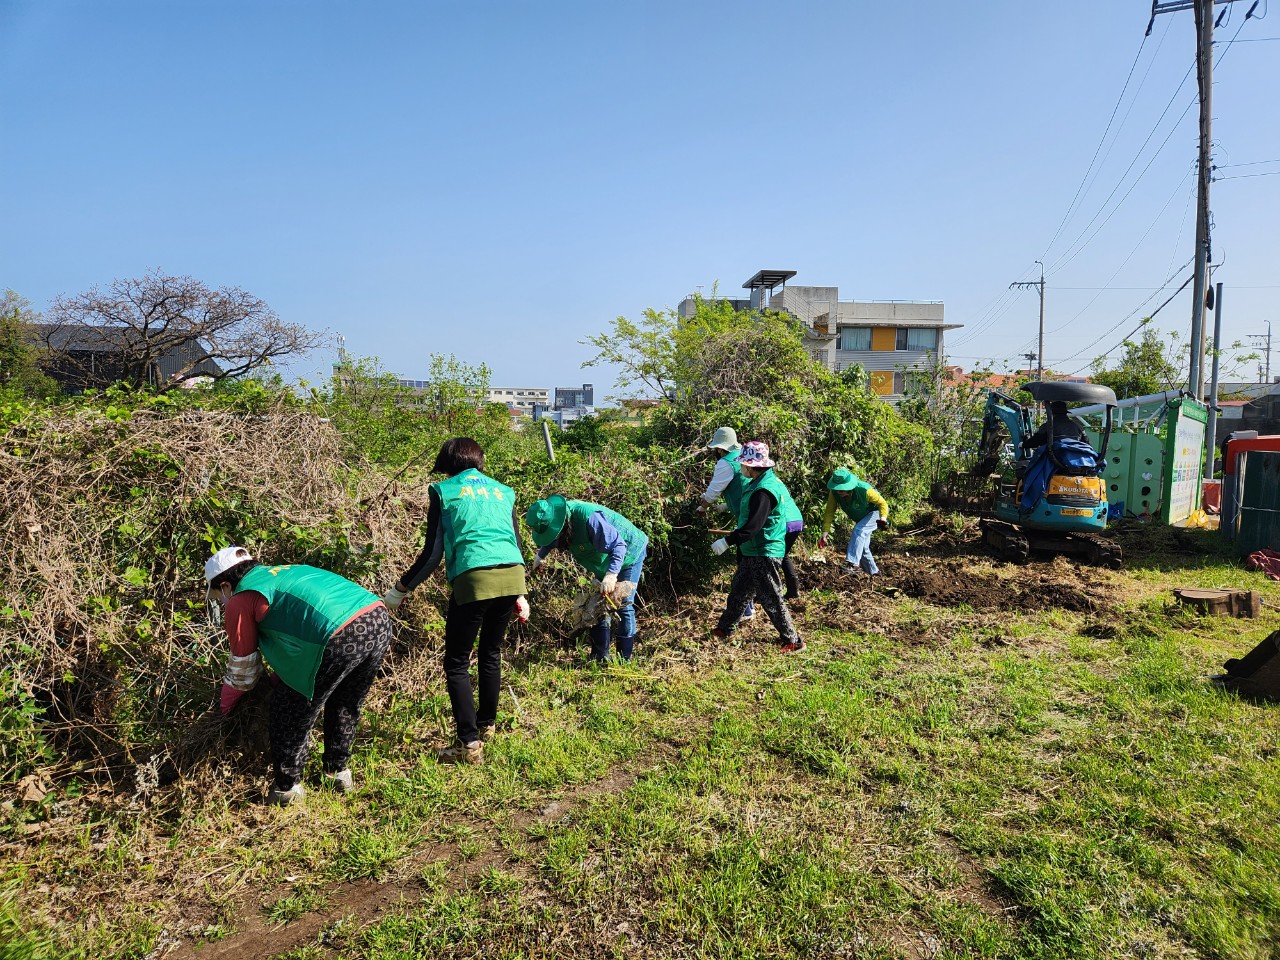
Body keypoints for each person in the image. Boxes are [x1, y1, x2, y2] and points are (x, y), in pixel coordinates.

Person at [382, 438, 529, 766]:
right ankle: (487, 725)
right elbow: (514, 544)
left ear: (448, 464)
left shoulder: (445, 490)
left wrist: (400, 589)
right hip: (513, 574)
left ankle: (469, 743)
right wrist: (519, 593)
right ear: (480, 461)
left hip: (474, 576)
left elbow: (433, 553)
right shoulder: (504, 491)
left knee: (457, 663)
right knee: (491, 653)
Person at [208, 546, 391, 806]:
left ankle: (287, 789)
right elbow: (302, 628)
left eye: (218, 596)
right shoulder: (287, 570)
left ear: (225, 585)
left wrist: (224, 708)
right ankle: (337, 772)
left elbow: (243, 670)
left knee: (288, 709)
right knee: (346, 700)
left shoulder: (241, 598)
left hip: (339, 636)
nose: (221, 601)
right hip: (377, 618)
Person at [525, 495, 647, 663]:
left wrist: (611, 575)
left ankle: (623, 660)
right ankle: (600, 657)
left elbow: (618, 546)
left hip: (628, 553)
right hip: (601, 559)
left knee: (623, 605)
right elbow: (553, 536)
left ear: (561, 523)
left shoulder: (589, 518)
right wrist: (542, 554)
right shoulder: (559, 522)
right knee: (597, 604)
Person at [710, 442, 804, 653]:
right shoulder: (757, 483)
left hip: (764, 551)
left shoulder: (764, 490)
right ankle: (725, 629)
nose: (741, 467)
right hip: (752, 550)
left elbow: (753, 526)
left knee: (772, 597)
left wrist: (727, 542)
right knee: (739, 592)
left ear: (751, 466)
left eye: (743, 464)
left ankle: (793, 640)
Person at [695, 426, 756, 619]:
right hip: (751, 511)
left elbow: (714, 490)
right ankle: (750, 606)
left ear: (720, 449)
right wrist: (725, 507)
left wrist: (702, 508)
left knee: (745, 562)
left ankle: (745, 609)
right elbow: (741, 487)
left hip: (746, 517)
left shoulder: (725, 462)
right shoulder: (742, 456)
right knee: (748, 559)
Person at [819, 467, 889, 576]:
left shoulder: (864, 490)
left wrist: (883, 518)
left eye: (841, 489)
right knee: (862, 546)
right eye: (837, 489)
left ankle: (853, 564)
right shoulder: (834, 493)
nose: (839, 492)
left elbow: (883, 503)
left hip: (874, 514)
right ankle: (874, 572)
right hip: (861, 518)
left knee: (859, 530)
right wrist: (825, 533)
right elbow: (829, 512)